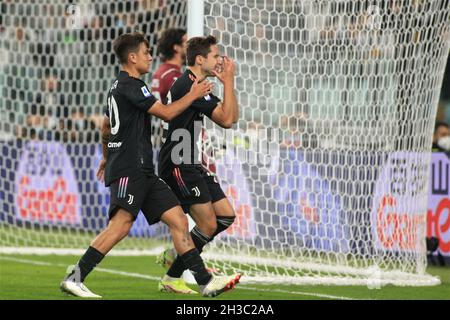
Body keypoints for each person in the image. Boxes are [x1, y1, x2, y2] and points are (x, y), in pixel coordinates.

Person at [59, 32, 240, 298]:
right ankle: (75, 277)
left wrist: (107, 156)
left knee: (179, 220)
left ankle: (204, 282)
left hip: (143, 169)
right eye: (145, 52)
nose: (150, 56)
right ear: (132, 58)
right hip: (130, 168)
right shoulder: (133, 85)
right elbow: (166, 113)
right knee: (120, 225)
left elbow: (106, 126)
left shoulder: (118, 87)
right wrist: (194, 94)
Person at [156, 35, 239, 293]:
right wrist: (227, 80)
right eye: (215, 56)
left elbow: (230, 117)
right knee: (208, 225)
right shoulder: (188, 85)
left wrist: (228, 83)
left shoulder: (198, 85)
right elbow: (226, 120)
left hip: (191, 161)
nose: (219, 60)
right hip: (178, 163)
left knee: (226, 215)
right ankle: (190, 278)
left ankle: (175, 263)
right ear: (200, 59)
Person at [151, 28, 187, 147]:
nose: (190, 47)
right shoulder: (173, 75)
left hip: (169, 136)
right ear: (176, 47)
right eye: (187, 43)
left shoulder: (161, 72)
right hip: (180, 139)